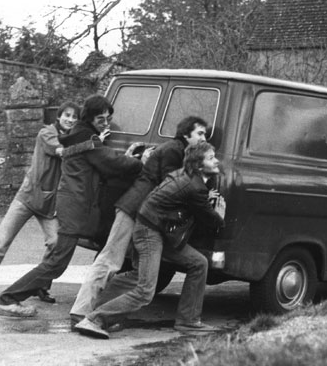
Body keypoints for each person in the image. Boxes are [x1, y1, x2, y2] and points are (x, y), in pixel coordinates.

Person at [0, 94, 143, 317]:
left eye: (108, 119)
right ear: (90, 118)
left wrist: (126, 157)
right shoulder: (84, 137)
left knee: (82, 254)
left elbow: (103, 161)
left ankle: (94, 299)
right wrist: (141, 162)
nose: (106, 124)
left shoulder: (84, 135)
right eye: (101, 119)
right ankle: (8, 299)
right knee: (57, 263)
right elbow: (111, 162)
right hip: (74, 206)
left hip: (77, 204)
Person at [74, 141, 225, 339]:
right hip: (149, 232)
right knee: (145, 291)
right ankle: (95, 319)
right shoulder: (193, 186)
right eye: (211, 158)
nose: (217, 161)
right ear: (198, 165)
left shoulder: (190, 178)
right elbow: (213, 223)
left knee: (198, 263)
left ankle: (188, 321)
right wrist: (220, 213)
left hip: (158, 231)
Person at [0, 101, 80, 302]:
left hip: (49, 204)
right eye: (67, 115)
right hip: (27, 197)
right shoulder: (46, 133)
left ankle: (39, 285)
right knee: (0, 243)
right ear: (58, 117)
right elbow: (60, 151)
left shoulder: (73, 139)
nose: (70, 119)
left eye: (75, 117)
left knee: (56, 242)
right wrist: (91, 144)